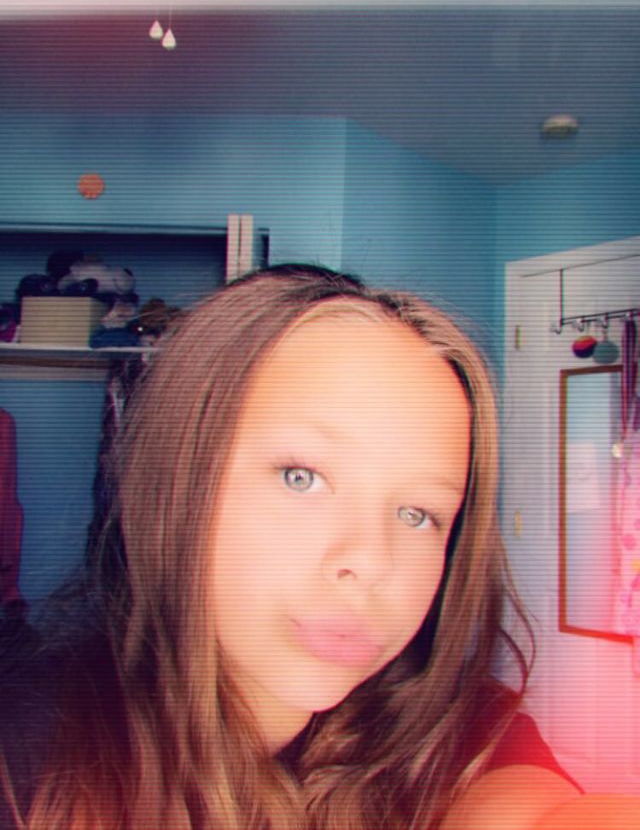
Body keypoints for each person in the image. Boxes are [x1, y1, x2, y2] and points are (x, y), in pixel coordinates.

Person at [0, 264, 638, 830]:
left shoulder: (463, 731)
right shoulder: (28, 756)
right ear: (174, 481)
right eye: (300, 477)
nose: (372, 562)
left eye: (418, 514)